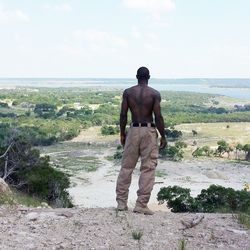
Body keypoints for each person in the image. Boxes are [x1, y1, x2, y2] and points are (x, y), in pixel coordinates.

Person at [116, 66, 167, 215]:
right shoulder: (154, 94)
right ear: (149, 77)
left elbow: (123, 115)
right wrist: (163, 135)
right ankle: (141, 204)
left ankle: (121, 203)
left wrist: (122, 133)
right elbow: (158, 117)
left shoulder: (128, 92)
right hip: (148, 131)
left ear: (136, 77)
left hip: (133, 130)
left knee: (126, 167)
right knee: (148, 168)